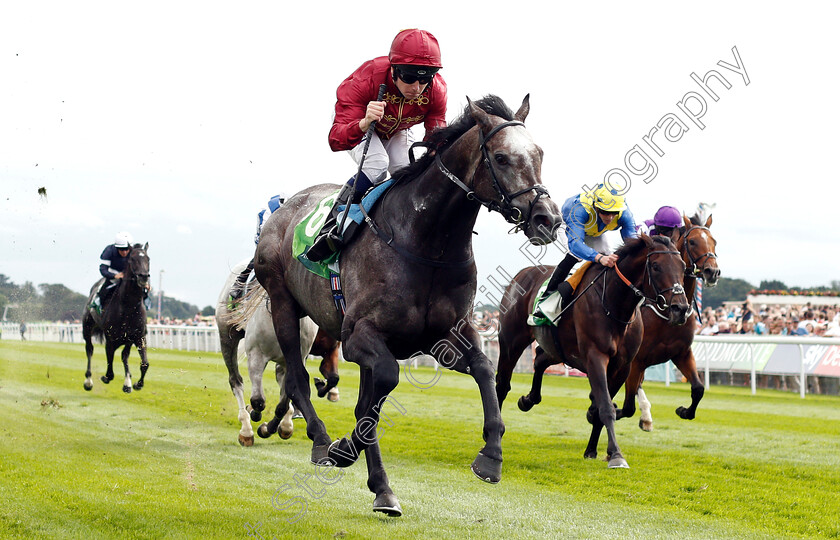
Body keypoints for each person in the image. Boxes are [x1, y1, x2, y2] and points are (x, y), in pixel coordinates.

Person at [307, 28, 448, 262]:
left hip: (396, 130)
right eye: (409, 77)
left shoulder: (437, 91)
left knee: (408, 173)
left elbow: (436, 138)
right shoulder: (366, 79)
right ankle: (332, 226)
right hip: (359, 124)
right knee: (377, 165)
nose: (417, 87)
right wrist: (363, 123)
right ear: (393, 69)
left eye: (425, 78)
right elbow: (336, 139)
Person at [536, 184, 638, 317]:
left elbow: (633, 244)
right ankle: (546, 299)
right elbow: (576, 245)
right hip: (570, 226)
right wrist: (599, 258)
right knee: (576, 256)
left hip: (596, 230)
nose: (610, 217)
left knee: (609, 256)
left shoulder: (624, 213)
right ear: (596, 206)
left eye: (614, 212)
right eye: (605, 212)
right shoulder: (579, 210)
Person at [229, 193, 287, 303]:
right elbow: (263, 244)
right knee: (265, 254)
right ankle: (240, 282)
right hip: (266, 232)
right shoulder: (267, 212)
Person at [92, 231, 134, 311]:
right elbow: (103, 269)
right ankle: (98, 306)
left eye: (126, 249)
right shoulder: (109, 250)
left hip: (129, 277)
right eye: (121, 249)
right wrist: (114, 276)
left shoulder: (134, 253)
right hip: (113, 276)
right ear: (116, 247)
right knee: (103, 292)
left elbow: (142, 270)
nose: (124, 252)